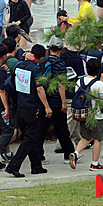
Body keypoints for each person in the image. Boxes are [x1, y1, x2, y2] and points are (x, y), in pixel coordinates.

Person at [5, 44, 51, 177]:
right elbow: (40, 89)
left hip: (20, 107)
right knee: (29, 139)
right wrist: (47, 107)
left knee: (30, 137)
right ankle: (14, 166)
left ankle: (36, 166)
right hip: (32, 108)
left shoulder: (19, 66)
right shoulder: (36, 69)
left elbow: (12, 84)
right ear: (41, 57)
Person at [37, 37, 75, 165]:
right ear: (61, 49)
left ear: (49, 48)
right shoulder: (60, 64)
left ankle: (40, 156)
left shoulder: (43, 62)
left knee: (41, 130)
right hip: (57, 102)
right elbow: (61, 85)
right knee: (62, 129)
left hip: (44, 101)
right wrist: (64, 102)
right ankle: (68, 154)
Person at [69, 58, 103, 171]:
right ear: (98, 70)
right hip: (96, 115)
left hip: (83, 115)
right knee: (97, 139)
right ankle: (94, 163)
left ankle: (76, 153)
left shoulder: (79, 81)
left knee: (86, 138)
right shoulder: (98, 83)